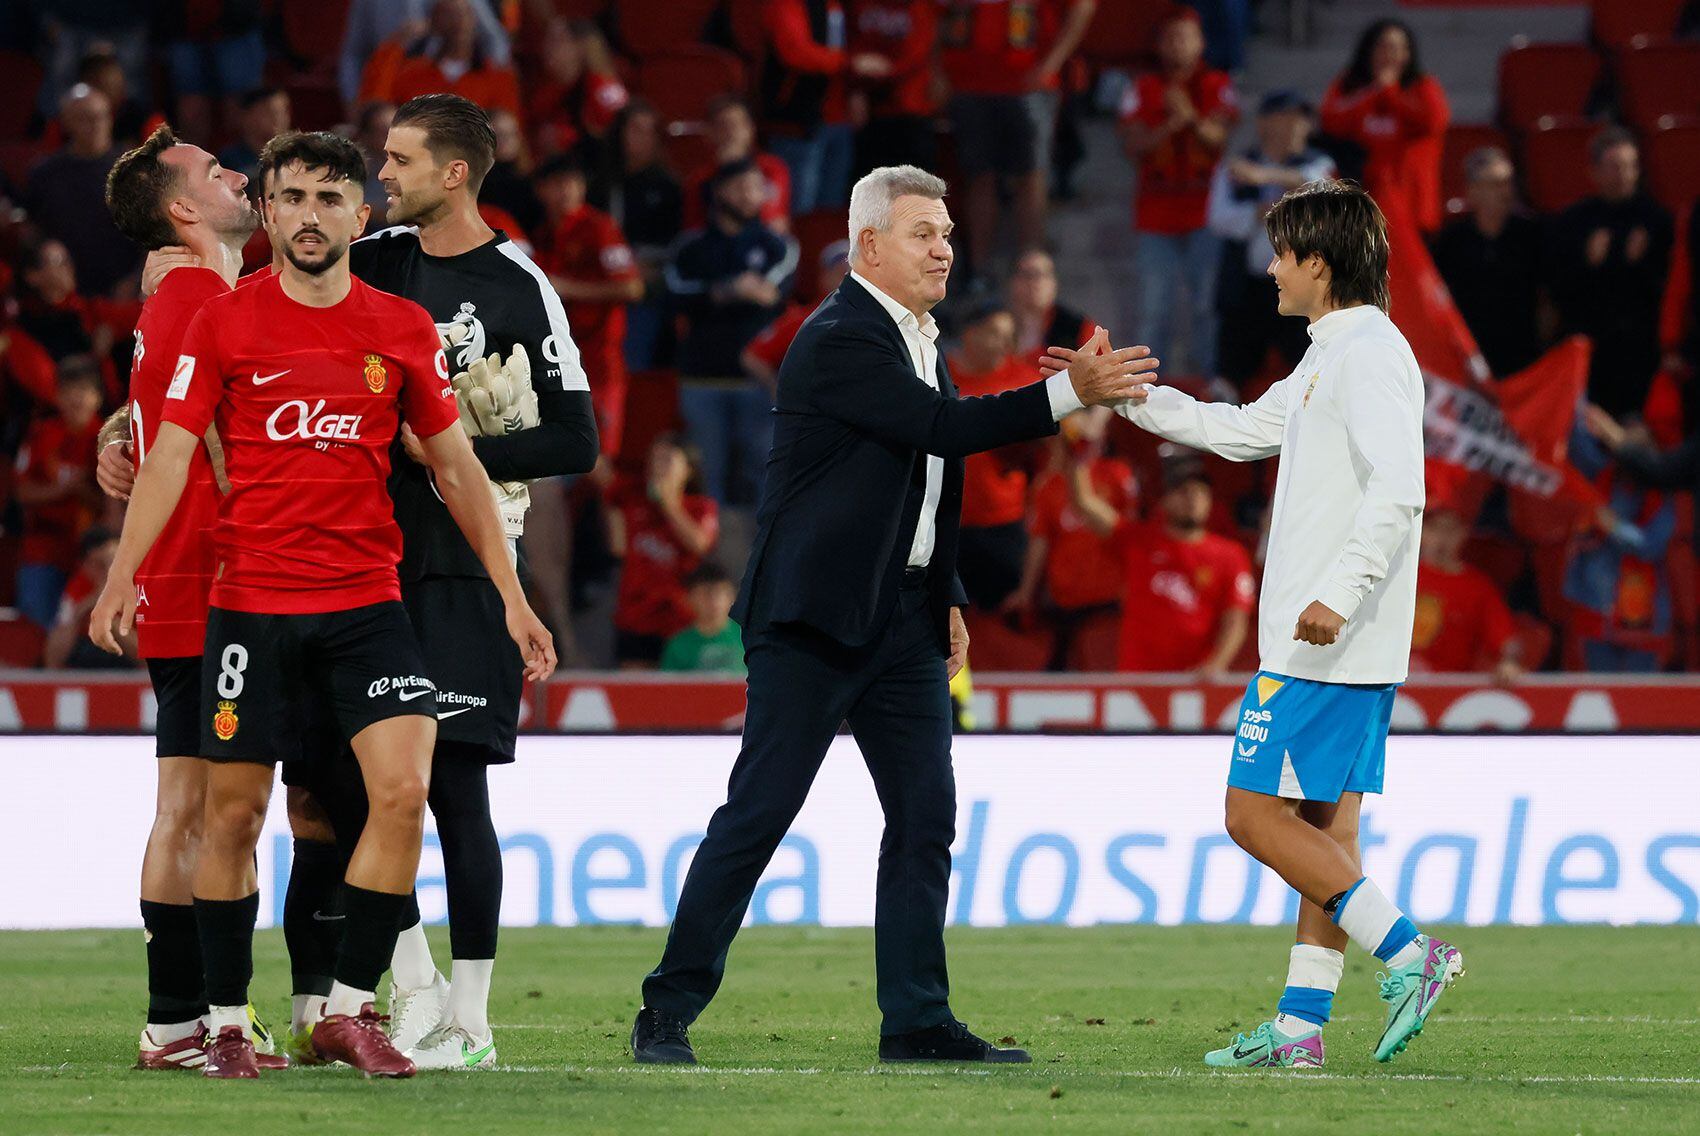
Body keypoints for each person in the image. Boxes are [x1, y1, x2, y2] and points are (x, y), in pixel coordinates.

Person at [630, 164, 1159, 1067]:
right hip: (814, 619)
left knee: (925, 818)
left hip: (905, 619)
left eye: (948, 231)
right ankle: (666, 1011)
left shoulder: (920, 340)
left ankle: (915, 1020)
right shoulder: (838, 335)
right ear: (868, 245)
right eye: (923, 232)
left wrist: (944, 592)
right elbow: (943, 435)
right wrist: (1072, 395)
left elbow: (926, 486)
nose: (945, 246)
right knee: (759, 813)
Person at [88, 130, 555, 1079]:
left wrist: (514, 596)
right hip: (249, 604)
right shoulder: (224, 319)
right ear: (269, 213)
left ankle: (344, 1009)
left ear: (361, 214)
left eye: (329, 197)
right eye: (291, 197)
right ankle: (219, 1021)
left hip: (367, 603)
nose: (309, 214)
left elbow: (457, 466)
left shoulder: (398, 328)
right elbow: (170, 453)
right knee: (231, 815)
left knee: (402, 793)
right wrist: (118, 574)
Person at [1045, 179, 1462, 1068]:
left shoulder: (1373, 355)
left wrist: (1339, 595)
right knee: (1326, 833)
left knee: (1249, 814)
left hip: (1327, 639)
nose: (1270, 267)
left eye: (1281, 253)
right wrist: (1119, 395)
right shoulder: (1326, 355)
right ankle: (1302, 1031)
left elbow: (1402, 492)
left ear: (1319, 261)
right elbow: (1234, 430)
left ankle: (1414, 955)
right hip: (1336, 641)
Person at [100, 123, 277, 1070]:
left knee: (200, 804)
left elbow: (151, 415)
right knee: (208, 809)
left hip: (196, 578)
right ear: (181, 209)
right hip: (208, 580)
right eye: (217, 172)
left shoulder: (192, 294)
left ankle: (186, 1020)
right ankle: (194, 1018)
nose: (240, 174)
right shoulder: (196, 294)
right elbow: (189, 437)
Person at [665, 159, 799, 505]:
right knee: (709, 483)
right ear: (720, 191)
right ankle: (714, 559)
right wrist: (730, 289)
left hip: (759, 382)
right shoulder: (690, 247)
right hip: (702, 381)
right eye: (742, 186)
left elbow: (771, 293)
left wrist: (713, 294)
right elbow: (675, 295)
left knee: (765, 483)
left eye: (756, 188)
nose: (751, 196)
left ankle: (762, 560)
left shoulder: (778, 245)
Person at [1120, 6, 1238, 380]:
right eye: (1171, 37)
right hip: (1156, 213)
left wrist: (1188, 116)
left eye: (1186, 36)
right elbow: (1133, 144)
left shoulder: (1218, 83)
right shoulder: (1140, 87)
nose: (1178, 45)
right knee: (1155, 308)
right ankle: (1148, 391)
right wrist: (1172, 124)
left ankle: (1208, 384)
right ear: (1158, 44)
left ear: (1200, 42)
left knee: (1206, 306)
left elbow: (1219, 137)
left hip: (1206, 212)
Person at [940, 0, 1096, 282]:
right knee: (978, 177)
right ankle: (979, 271)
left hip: (1028, 83)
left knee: (1031, 176)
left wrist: (1053, 62)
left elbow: (1083, 7)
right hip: (968, 80)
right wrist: (937, 69)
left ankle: (1031, 270)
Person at [1207, 90, 1334, 389]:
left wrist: (1264, 177)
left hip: (1301, 288)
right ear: (1264, 124)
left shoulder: (1318, 162)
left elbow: (1322, 186)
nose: (1296, 127)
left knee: (1310, 371)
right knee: (1232, 370)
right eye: (1286, 119)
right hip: (1248, 285)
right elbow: (1218, 218)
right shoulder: (1236, 167)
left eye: (1301, 120)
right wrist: (1257, 212)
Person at [1094, 446, 1255, 678]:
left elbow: (1235, 620)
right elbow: (1086, 505)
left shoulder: (1230, 555)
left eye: (1200, 492)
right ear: (1164, 500)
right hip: (1137, 679)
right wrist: (1077, 457)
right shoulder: (1139, 541)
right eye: (1183, 491)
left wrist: (1215, 666)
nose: (1193, 499)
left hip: (1194, 681)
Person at [1548, 128, 1672, 418]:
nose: (1624, 176)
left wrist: (1640, 263)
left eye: (1630, 167)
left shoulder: (1657, 220)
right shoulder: (1573, 222)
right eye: (1615, 167)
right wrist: (1588, 263)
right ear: (1594, 172)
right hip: (1593, 352)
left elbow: (1668, 292)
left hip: (1641, 351)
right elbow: (1559, 291)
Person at [533, 153, 642, 458]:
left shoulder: (599, 227)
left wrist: (567, 288)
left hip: (600, 357)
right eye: (558, 183)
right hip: (555, 356)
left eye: (574, 183)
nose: (567, 190)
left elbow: (632, 287)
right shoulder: (542, 234)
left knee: (598, 450)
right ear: (541, 190)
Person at [1006, 418, 1137, 669]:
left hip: (1109, 597)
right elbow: (1040, 542)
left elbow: (1128, 532)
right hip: (1064, 598)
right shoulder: (1048, 486)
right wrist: (1026, 591)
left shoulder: (1118, 474)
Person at [1319, 19, 1449, 233]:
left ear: (1408, 53)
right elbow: (1330, 120)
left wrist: (1390, 94)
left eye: (1397, 48)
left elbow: (1433, 121)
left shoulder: (1424, 87)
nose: (1389, 55)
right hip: (1359, 207)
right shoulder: (1349, 86)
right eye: (1383, 47)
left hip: (1411, 207)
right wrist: (1373, 93)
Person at [950, 297, 1037, 610]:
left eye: (1008, 335)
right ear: (969, 334)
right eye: (995, 333)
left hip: (1004, 520)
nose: (1004, 343)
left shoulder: (1025, 379)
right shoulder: (941, 374)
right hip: (948, 517)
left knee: (1002, 615)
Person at [1430, 147, 1546, 379]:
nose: (1505, 192)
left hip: (1523, 359)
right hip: (1470, 362)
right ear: (1472, 192)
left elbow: (1548, 299)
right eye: (1495, 184)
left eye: (1508, 183)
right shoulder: (1451, 242)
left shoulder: (1532, 235)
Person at [608, 435, 720, 668]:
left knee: (680, 697)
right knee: (635, 696)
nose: (657, 467)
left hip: (680, 620)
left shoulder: (701, 507)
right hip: (636, 618)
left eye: (667, 459)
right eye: (654, 459)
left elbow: (700, 544)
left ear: (688, 469)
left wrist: (669, 504)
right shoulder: (632, 501)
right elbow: (617, 546)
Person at [13, 355, 107, 627]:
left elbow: (115, 503)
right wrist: (62, 490)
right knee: (37, 629)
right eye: (68, 392)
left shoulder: (109, 439)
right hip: (43, 550)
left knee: (91, 631)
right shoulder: (42, 434)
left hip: (92, 555)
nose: (76, 399)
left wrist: (82, 492)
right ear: (57, 397)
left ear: (97, 397)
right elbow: (21, 492)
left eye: (84, 391)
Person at [760, 0, 875, 213]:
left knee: (830, 212)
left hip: (841, 121)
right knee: (800, 210)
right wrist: (849, 63)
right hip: (799, 123)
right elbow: (795, 51)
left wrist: (856, 89)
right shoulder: (787, 4)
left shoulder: (844, 5)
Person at [593, 100, 683, 371]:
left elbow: (674, 245)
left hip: (644, 286)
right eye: (633, 129)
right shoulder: (601, 184)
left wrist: (638, 265)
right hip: (598, 283)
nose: (639, 138)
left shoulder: (668, 187)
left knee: (630, 365)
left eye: (647, 131)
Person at [25, 84, 139, 296]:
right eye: (85, 118)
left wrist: (137, 278)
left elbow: (156, 234)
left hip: (124, 293)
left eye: (101, 116)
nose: (96, 125)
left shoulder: (135, 171)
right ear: (67, 123)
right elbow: (32, 231)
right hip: (67, 295)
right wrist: (47, 255)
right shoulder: (45, 174)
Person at [359, 0, 522, 123]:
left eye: (465, 13)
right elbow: (375, 101)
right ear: (434, 22)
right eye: (449, 14)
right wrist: (397, 43)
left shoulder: (497, 77)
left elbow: (512, 132)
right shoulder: (411, 74)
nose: (459, 21)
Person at [1410, 503, 1521, 680]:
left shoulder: (1478, 587)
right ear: (1421, 531)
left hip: (1449, 687)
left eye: (1450, 530)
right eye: (1434, 528)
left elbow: (1506, 640)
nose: (1441, 538)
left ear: (1463, 533)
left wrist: (1510, 662)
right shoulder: (1400, 576)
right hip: (1395, 684)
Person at [742, 240, 853, 391]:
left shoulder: (881, 320)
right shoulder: (805, 320)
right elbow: (753, 357)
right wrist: (779, 393)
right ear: (824, 278)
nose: (849, 280)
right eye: (841, 274)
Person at [848, 0, 939, 176]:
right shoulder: (858, 5)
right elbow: (850, 42)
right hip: (868, 111)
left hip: (911, 107)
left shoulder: (919, 6)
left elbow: (919, 49)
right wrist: (856, 87)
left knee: (915, 190)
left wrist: (877, 71)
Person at [681, 96, 792, 234]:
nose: (732, 132)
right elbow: (694, 228)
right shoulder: (700, 178)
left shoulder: (772, 168)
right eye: (723, 126)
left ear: (751, 129)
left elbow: (770, 218)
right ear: (710, 133)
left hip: (764, 245)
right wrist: (725, 170)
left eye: (738, 124)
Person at [528, 18, 628, 168]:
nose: (547, 47)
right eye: (548, 40)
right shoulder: (546, 91)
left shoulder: (602, 88)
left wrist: (566, 138)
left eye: (558, 41)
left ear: (581, 46)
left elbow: (619, 139)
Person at [42, 525, 132, 669]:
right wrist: (84, 609)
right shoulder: (78, 588)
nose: (107, 571)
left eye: (111, 562)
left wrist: (107, 618)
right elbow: (53, 660)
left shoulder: (134, 585)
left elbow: (146, 658)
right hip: (87, 660)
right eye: (98, 564)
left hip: (128, 665)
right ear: (85, 565)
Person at [1007, 248, 1093, 369]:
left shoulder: (1078, 328)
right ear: (1012, 282)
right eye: (1027, 275)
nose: (1035, 282)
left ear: (1054, 283)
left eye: (1043, 274)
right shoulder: (995, 327)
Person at [660, 561, 745, 674]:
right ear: (690, 598)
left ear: (732, 596)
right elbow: (668, 688)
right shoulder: (679, 646)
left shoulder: (748, 639)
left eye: (720, 593)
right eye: (705, 593)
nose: (713, 601)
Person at [216, 87, 291, 185]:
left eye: (283, 112)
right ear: (248, 115)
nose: (278, 119)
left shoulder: (295, 157)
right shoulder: (228, 161)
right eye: (270, 112)